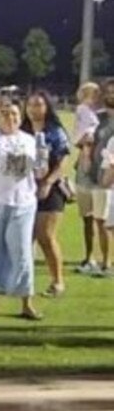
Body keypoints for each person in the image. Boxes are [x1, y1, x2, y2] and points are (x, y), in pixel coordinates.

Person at [0, 100, 41, 319]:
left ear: (20, 118)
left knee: (21, 252)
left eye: (14, 114)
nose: (10, 118)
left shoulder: (28, 140)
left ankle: (26, 302)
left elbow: (26, 169)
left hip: (21, 203)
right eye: (5, 114)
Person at [21, 90, 71, 298]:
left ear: (47, 107)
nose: (34, 109)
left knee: (46, 236)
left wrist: (48, 182)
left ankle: (57, 280)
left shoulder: (54, 131)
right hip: (25, 189)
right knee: (25, 238)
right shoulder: (22, 130)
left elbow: (62, 161)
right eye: (31, 105)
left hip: (50, 191)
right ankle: (23, 284)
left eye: (39, 105)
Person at [73, 81, 107, 274]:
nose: (94, 96)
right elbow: (80, 138)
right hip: (87, 171)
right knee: (88, 217)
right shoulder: (84, 111)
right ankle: (90, 257)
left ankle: (104, 259)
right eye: (91, 93)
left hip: (102, 171)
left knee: (103, 218)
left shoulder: (104, 115)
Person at [84, 77, 114, 278]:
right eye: (108, 92)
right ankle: (98, 261)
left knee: (106, 221)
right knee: (97, 219)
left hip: (110, 176)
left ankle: (107, 263)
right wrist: (85, 153)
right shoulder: (98, 118)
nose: (111, 95)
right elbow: (88, 141)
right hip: (96, 174)